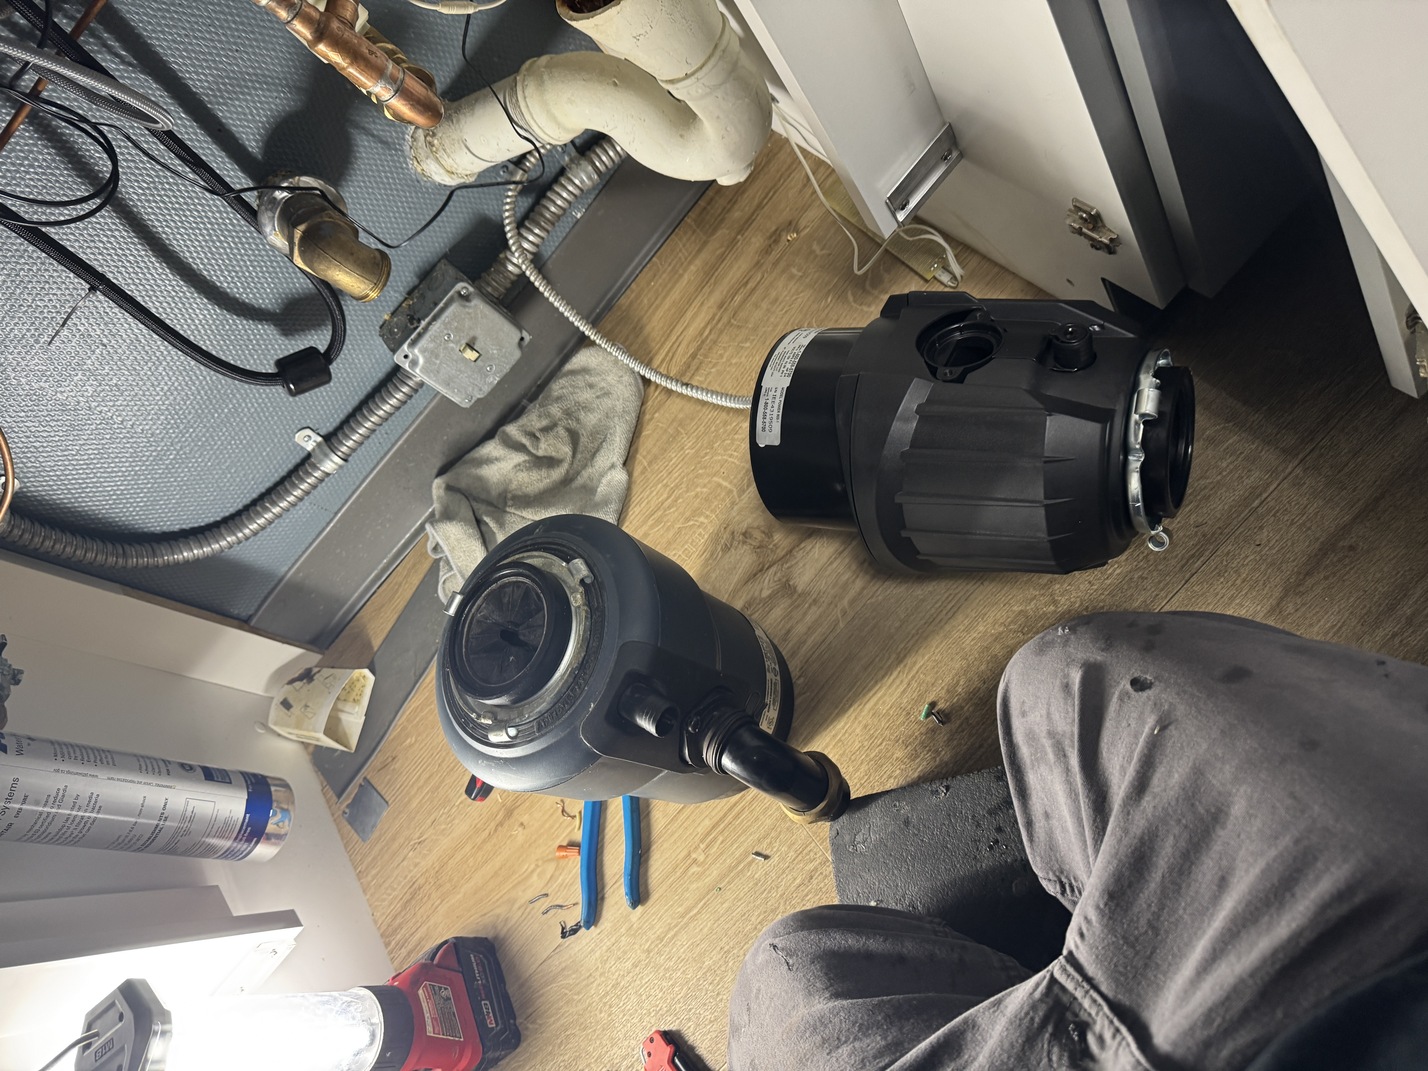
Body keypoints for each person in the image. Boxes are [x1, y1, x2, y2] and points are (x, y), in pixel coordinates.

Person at [728, 612, 1428, 1070]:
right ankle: (1082, 949)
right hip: (1364, 977)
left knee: (788, 978)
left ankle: (1073, 956)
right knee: (1065, 679)